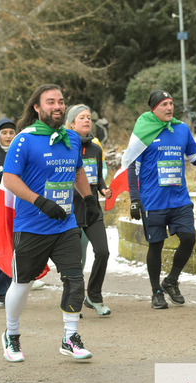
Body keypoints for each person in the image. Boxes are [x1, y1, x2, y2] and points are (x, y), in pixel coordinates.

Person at [1, 83, 102, 362]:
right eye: (50, 102)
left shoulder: (71, 138)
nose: (57, 106)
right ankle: (12, 334)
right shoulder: (25, 139)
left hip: (65, 225)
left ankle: (70, 337)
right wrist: (41, 202)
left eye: (60, 101)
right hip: (31, 226)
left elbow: (78, 171)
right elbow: (10, 179)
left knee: (75, 279)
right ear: (37, 107)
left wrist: (89, 199)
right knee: (22, 283)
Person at [126, 90, 196, 309]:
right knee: (156, 246)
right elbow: (132, 166)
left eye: (171, 103)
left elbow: (194, 157)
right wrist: (134, 198)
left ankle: (171, 280)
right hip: (153, 200)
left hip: (179, 199)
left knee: (188, 238)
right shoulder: (143, 131)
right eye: (164, 104)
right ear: (153, 109)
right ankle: (156, 291)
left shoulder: (181, 128)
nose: (169, 108)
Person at [66, 104, 113, 316]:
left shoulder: (96, 148)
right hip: (71, 211)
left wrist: (103, 189)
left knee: (103, 251)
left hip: (92, 209)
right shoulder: (65, 148)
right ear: (71, 124)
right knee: (75, 260)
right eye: (81, 117)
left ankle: (93, 296)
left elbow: (97, 177)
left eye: (88, 117)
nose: (87, 120)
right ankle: (73, 300)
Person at [0, 118, 16, 306]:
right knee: (1, 250)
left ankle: (0, 289)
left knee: (11, 250)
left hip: (15, 210)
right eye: (4, 133)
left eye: (11, 133)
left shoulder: (18, 154)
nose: (8, 136)